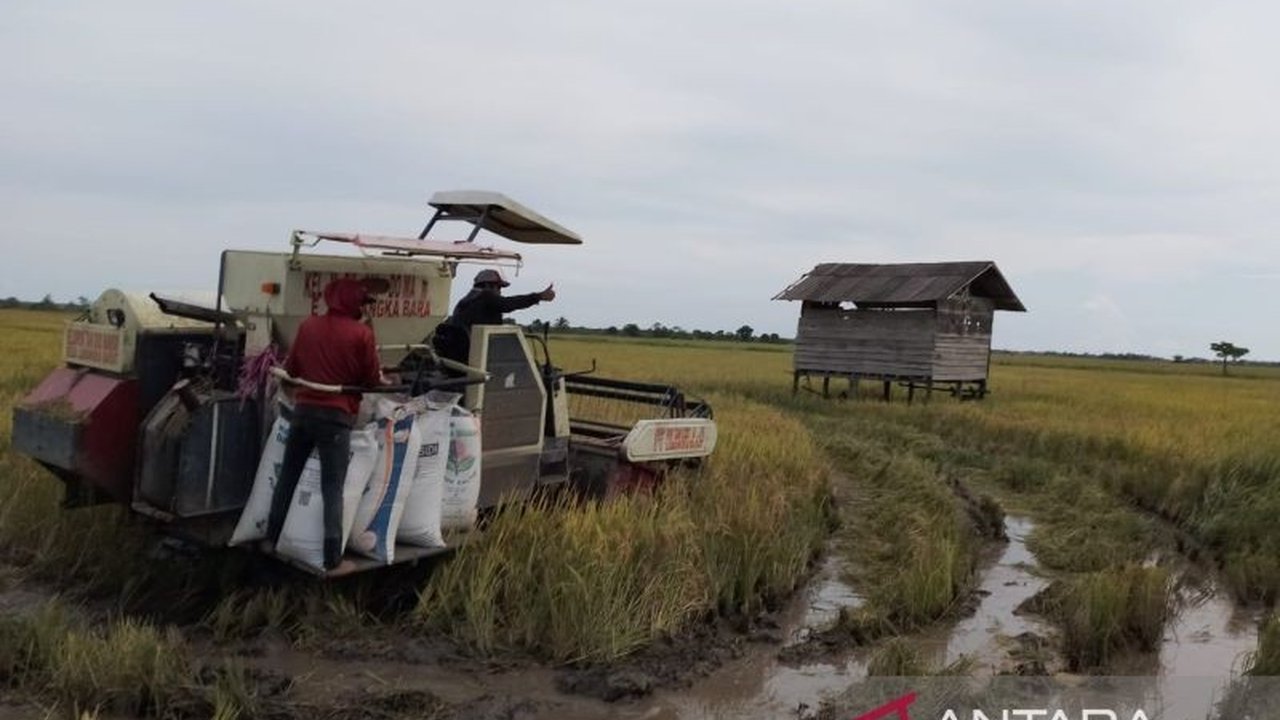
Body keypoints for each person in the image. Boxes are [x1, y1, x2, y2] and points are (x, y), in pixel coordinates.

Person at [266, 277, 385, 574]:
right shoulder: (361, 334)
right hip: (336, 417)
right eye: (361, 303)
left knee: (288, 476)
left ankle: (272, 536)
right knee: (333, 487)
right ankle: (332, 557)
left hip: (304, 412)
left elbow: (292, 370)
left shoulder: (308, 326)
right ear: (354, 303)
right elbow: (371, 380)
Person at [432, 269, 555, 366]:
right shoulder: (485, 297)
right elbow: (509, 304)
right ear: (487, 285)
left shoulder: (464, 301)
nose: (500, 291)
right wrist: (538, 296)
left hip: (460, 356)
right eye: (498, 287)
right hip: (478, 357)